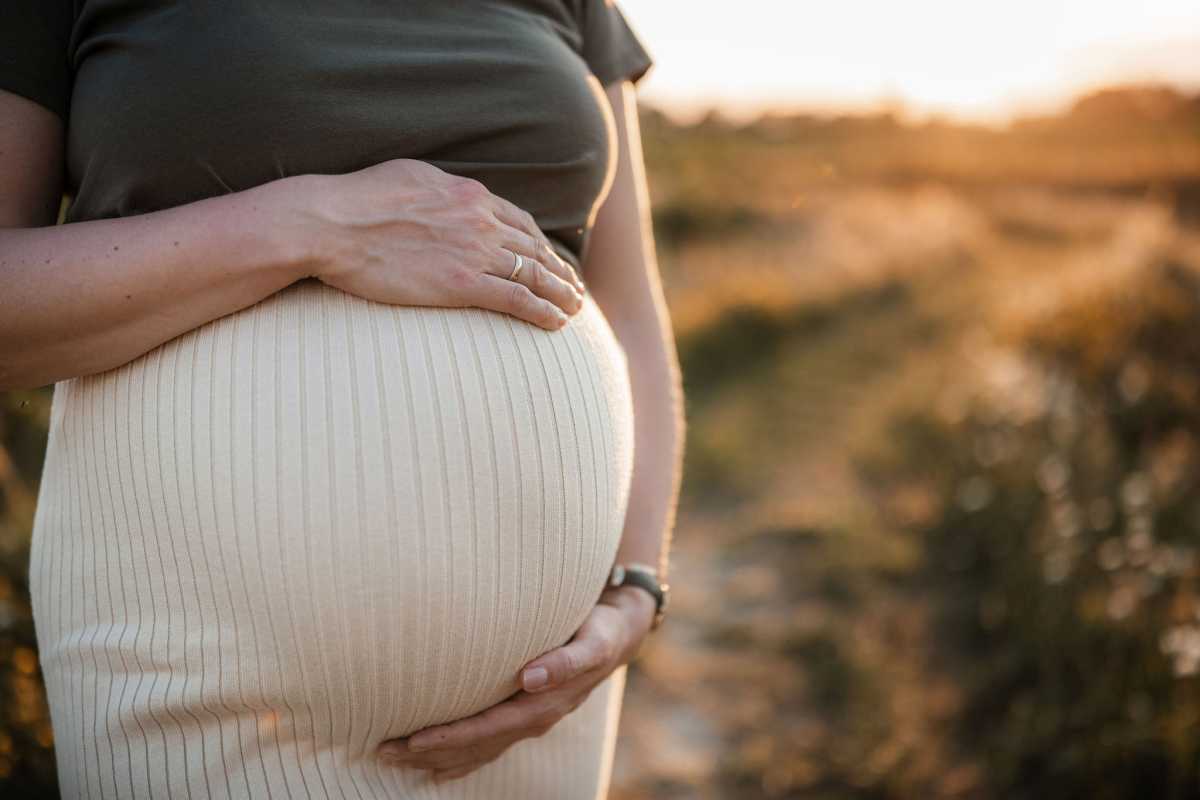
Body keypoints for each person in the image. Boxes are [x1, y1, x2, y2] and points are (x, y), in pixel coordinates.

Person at [0, 1, 685, 797]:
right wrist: (309, 225)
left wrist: (636, 588)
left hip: (541, 703)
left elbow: (629, 308)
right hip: (196, 682)